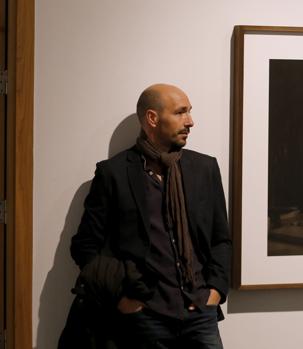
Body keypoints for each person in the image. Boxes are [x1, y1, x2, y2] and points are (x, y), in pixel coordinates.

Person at [68, 83, 232, 348]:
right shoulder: (115, 173)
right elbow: (85, 247)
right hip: (145, 318)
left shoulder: (204, 168)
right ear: (152, 118)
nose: (190, 121)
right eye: (180, 113)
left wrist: (214, 293)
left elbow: (220, 239)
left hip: (200, 313)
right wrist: (122, 300)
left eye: (189, 112)